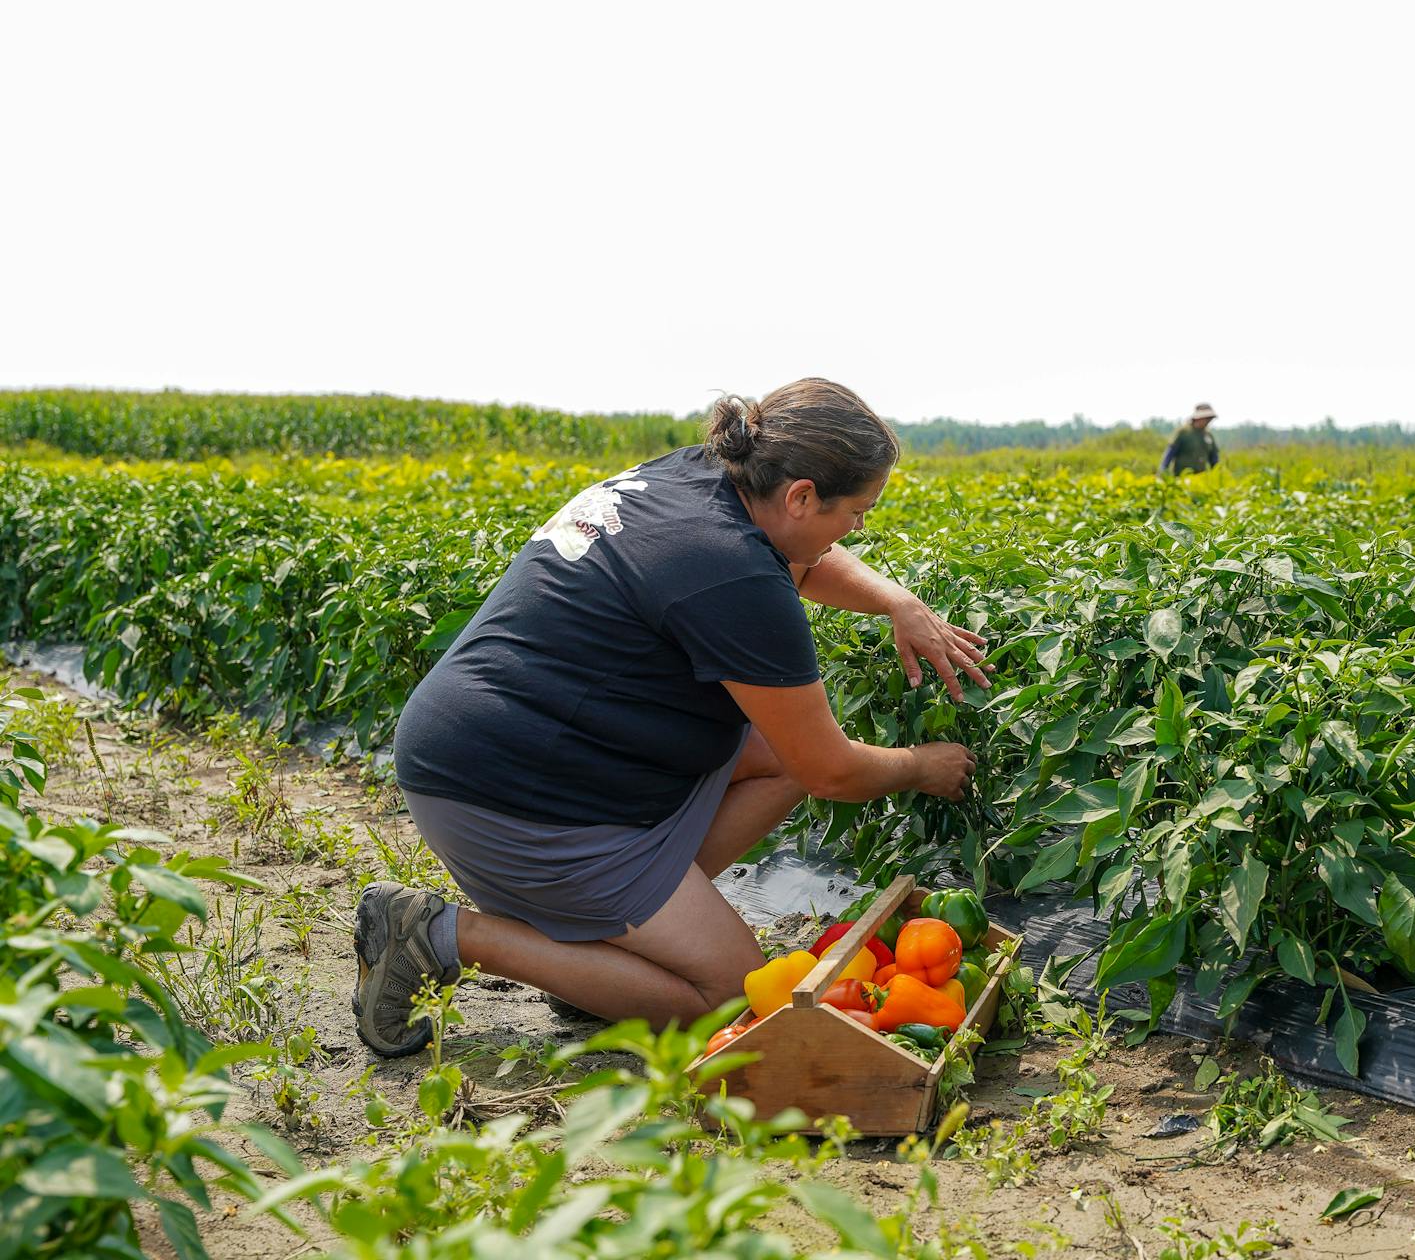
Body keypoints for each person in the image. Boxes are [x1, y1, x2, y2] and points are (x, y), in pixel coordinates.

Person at [354, 378, 987, 1057]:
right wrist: (923, 766)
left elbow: (798, 560)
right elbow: (828, 769)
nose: (859, 530)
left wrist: (896, 600)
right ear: (802, 495)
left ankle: (599, 950)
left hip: (503, 744)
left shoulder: (709, 476)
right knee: (724, 998)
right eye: (858, 512)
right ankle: (438, 934)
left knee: (775, 758)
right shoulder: (733, 573)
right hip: (515, 794)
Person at [1158, 403, 1220, 475]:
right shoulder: (1183, 432)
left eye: (1210, 419)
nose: (1208, 421)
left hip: (1200, 478)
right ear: (1198, 418)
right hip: (1181, 476)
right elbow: (1170, 453)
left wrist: (1217, 474)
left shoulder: (1208, 435)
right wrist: (1162, 471)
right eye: (1206, 418)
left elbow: (1214, 459)